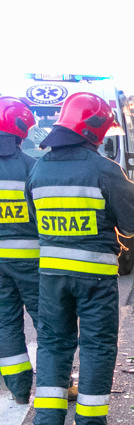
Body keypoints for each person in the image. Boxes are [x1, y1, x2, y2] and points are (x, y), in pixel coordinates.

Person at [27, 92, 134, 425]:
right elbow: (131, 222)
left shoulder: (38, 168)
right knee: (97, 345)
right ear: (94, 130)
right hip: (95, 277)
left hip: (51, 278)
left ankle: (48, 422)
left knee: (52, 343)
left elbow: (38, 224)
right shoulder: (104, 170)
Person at [0, 97, 38, 405]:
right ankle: (57, 382)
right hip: (30, 260)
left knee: (5, 323)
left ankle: (19, 389)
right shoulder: (32, 168)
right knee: (47, 322)